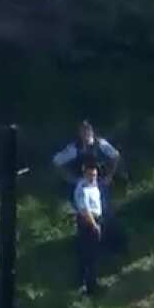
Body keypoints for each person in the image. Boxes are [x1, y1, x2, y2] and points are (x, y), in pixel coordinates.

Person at [53, 121, 123, 248]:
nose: (85, 133)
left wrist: (109, 176)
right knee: (84, 214)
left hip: (99, 183)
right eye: (82, 131)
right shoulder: (74, 148)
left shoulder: (100, 144)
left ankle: (108, 242)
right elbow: (57, 161)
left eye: (87, 130)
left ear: (91, 131)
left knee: (104, 212)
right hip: (83, 185)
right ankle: (87, 245)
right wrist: (70, 178)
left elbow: (115, 156)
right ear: (79, 133)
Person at [73, 163, 105, 296]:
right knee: (89, 255)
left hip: (95, 220)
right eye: (90, 175)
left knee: (94, 255)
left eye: (95, 175)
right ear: (84, 173)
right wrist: (94, 225)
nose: (93, 177)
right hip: (87, 223)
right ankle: (89, 287)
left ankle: (92, 283)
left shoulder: (94, 185)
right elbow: (84, 209)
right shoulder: (82, 188)